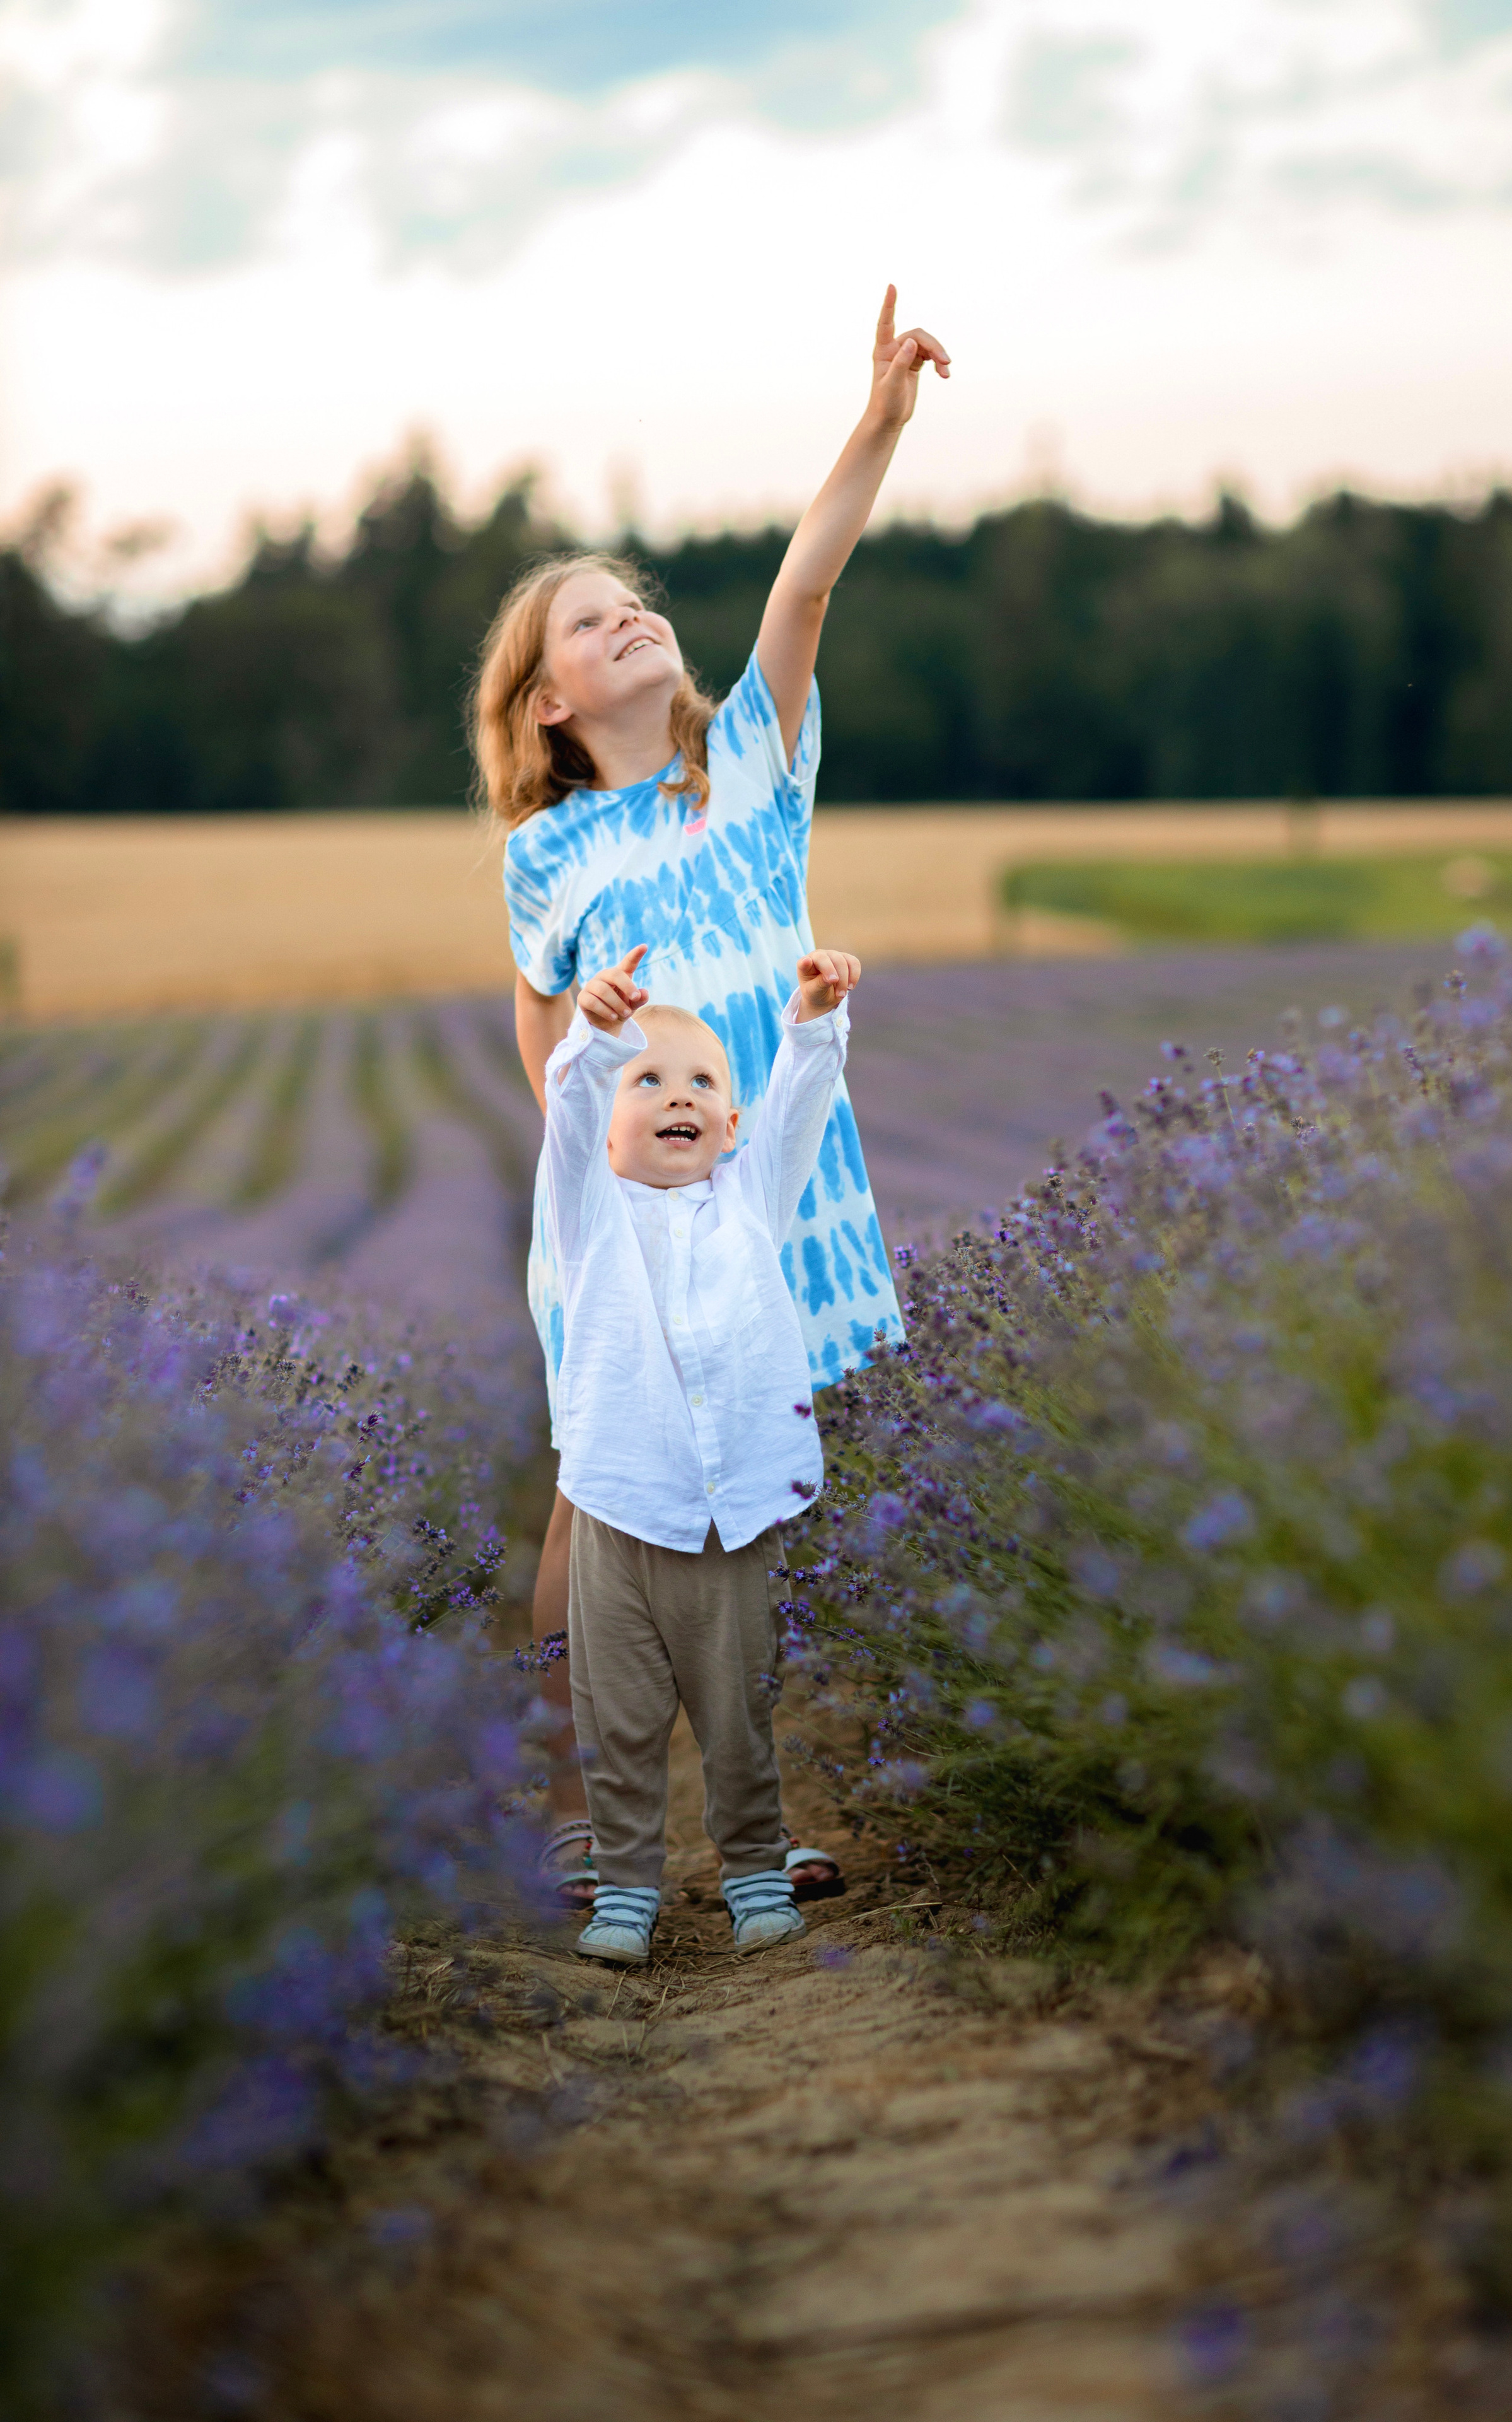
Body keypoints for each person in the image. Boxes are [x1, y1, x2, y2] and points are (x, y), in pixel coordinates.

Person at [474, 286, 950, 1905]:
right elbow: (543, 1052)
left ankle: (759, 1818)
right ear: (547, 705)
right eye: (588, 627)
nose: (630, 624)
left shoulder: (750, 755)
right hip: (624, 1221)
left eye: (634, 605)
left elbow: (804, 580)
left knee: (753, 1487)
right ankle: (575, 1803)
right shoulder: (546, 854)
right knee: (596, 1494)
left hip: (774, 1189)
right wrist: (595, 1065)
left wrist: (877, 422)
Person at [542, 939, 860, 1964]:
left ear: (730, 1124)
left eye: (701, 1084)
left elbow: (801, 1110)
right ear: (609, 1122)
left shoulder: (749, 1203)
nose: (676, 1096)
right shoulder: (589, 1215)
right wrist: (593, 1041)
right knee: (622, 1724)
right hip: (621, 1508)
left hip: (731, 1513)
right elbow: (572, 1116)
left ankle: (756, 1875)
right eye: (648, 1079)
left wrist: (813, 1024)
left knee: (737, 1718)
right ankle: (627, 1894)